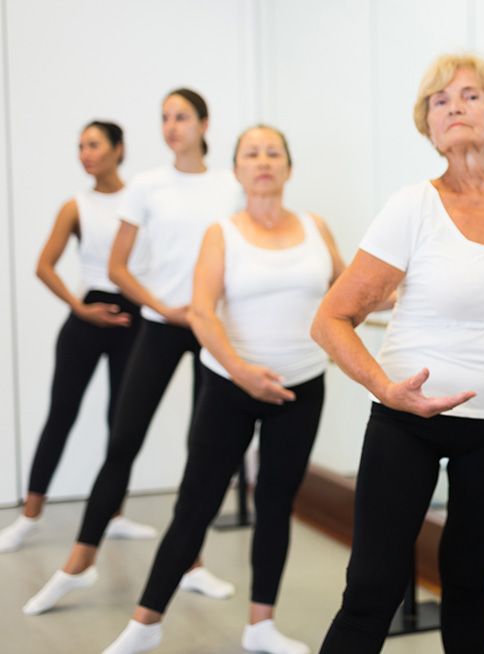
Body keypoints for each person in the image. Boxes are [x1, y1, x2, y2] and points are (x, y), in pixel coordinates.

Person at [311, 54, 484, 653]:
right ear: (428, 125)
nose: (454, 106)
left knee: (468, 579)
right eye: (440, 100)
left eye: (469, 95)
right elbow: (331, 319)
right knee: (372, 587)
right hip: (407, 422)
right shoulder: (412, 206)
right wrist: (385, 388)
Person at [101, 125, 344, 654]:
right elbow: (203, 313)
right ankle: (145, 624)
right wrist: (240, 371)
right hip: (230, 384)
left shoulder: (315, 227)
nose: (263, 161)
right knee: (197, 503)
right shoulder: (222, 232)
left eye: (273, 152)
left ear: (289, 166)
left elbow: (348, 292)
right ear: (236, 170)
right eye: (251, 153)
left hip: (300, 386)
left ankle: (261, 626)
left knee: (277, 503)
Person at [23, 88, 243, 616]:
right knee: (123, 440)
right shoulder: (147, 185)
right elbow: (119, 267)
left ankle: (191, 562)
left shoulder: (231, 186)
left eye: (182, 116)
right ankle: (80, 560)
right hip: (163, 324)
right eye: (165, 117)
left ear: (204, 123)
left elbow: (242, 255)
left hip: (212, 325)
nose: (171, 126)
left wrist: (210, 310)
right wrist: (164, 309)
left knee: (203, 447)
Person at [0, 121, 156, 554]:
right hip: (87, 319)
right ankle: (29, 517)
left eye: (93, 145)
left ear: (117, 149)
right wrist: (78, 306)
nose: (85, 154)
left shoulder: (140, 199)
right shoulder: (77, 206)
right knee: (61, 414)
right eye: (80, 147)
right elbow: (44, 265)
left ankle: (114, 514)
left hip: (132, 320)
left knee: (121, 423)